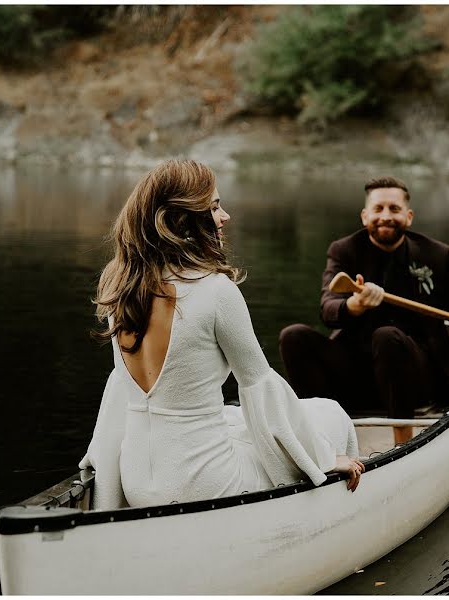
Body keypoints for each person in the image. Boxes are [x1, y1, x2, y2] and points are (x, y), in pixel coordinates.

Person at [79, 160, 363, 510]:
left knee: (232, 418)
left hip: (135, 479)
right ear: (184, 221)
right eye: (213, 207)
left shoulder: (118, 284)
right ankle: (339, 513)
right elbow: (258, 385)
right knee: (329, 413)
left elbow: (121, 387)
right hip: (202, 484)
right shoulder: (215, 291)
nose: (224, 216)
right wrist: (321, 457)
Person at [279, 176, 449, 445]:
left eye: (394, 209)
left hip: (418, 374)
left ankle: (402, 441)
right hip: (357, 373)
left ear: (409, 216)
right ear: (365, 216)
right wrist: (354, 306)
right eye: (378, 209)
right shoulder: (344, 251)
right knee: (293, 336)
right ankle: (316, 435)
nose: (385, 216)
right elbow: (328, 309)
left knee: (387, 336)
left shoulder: (436, 254)